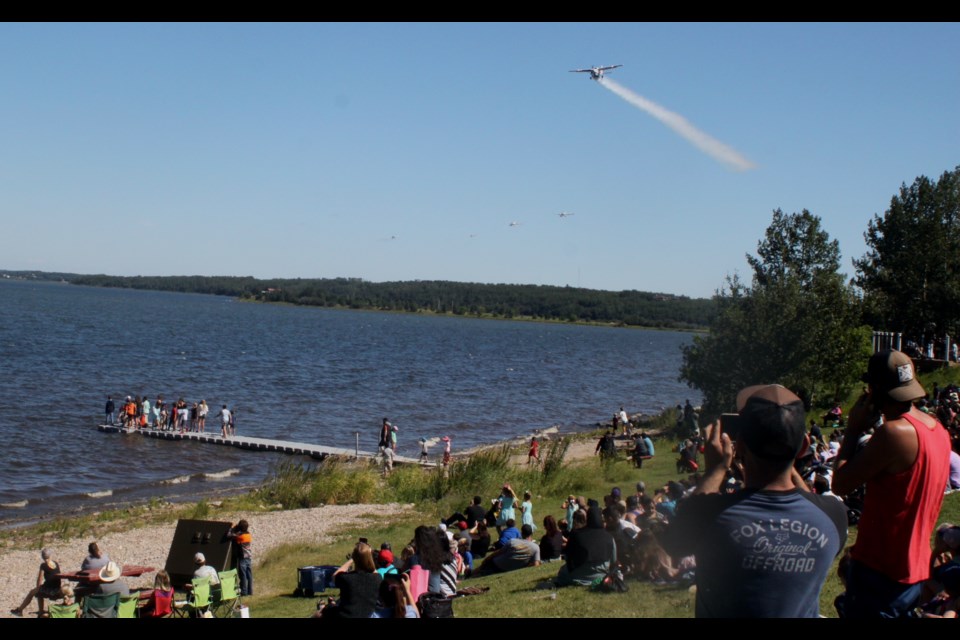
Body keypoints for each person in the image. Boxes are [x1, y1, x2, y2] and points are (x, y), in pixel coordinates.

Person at [660, 384, 848, 618]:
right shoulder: (834, 517)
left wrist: (715, 471)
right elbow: (808, 500)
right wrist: (787, 458)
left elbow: (674, 544)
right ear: (804, 446)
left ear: (739, 446)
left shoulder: (708, 516)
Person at [832, 350, 951, 618]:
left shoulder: (894, 432)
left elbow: (839, 483)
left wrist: (852, 430)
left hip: (880, 570)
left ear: (873, 391)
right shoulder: (938, 430)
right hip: (915, 568)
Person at [555, 505, 616, 587]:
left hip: (577, 576)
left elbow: (568, 557)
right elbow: (614, 560)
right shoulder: (609, 537)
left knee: (562, 571)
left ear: (587, 519)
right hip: (601, 575)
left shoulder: (576, 535)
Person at [318, 542, 382, 618]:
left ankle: (327, 605)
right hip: (369, 615)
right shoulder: (377, 578)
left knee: (321, 612)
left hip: (346, 615)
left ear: (355, 558)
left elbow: (335, 576)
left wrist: (351, 559)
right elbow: (375, 571)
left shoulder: (346, 578)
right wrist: (368, 555)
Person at [11, 549, 61, 617]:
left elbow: (39, 579)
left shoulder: (43, 565)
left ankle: (19, 610)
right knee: (38, 591)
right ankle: (40, 611)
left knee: (33, 592)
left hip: (50, 589)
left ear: (42, 556)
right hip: (57, 587)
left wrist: (38, 588)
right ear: (50, 556)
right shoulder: (56, 563)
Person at [475, 524, 541, 576]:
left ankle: (471, 573)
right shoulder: (535, 547)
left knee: (481, 569)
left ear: (521, 533)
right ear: (532, 533)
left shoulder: (512, 541)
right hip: (508, 568)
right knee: (482, 571)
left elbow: (498, 552)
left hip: (498, 564)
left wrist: (487, 559)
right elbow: (536, 564)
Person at [227, 519, 253, 596]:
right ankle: (250, 591)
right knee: (249, 575)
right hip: (248, 557)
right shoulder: (248, 534)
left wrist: (232, 527)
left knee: (243, 576)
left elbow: (229, 535)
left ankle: (244, 592)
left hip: (242, 558)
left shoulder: (240, 536)